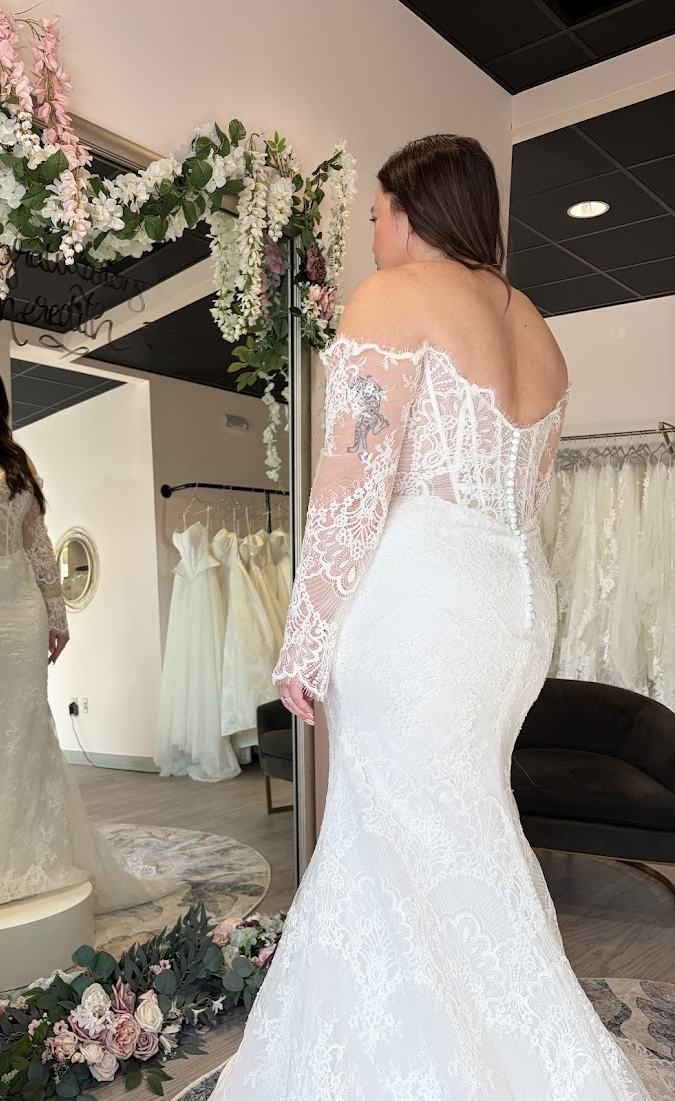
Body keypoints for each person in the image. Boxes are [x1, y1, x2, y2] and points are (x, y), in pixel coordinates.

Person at [211, 136, 651, 1098]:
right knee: (456, 824)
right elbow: (526, 492)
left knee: (401, 828)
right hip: (509, 604)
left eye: (374, 214)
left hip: (422, 602)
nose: (372, 234)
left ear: (410, 210)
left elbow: (350, 484)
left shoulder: (392, 298)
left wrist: (306, 633)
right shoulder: (536, 326)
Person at [0, 350, 175, 980]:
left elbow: (37, 542)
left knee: (21, 725)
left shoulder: (15, 458)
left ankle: (25, 856)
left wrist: (56, 609)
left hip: (14, 604)